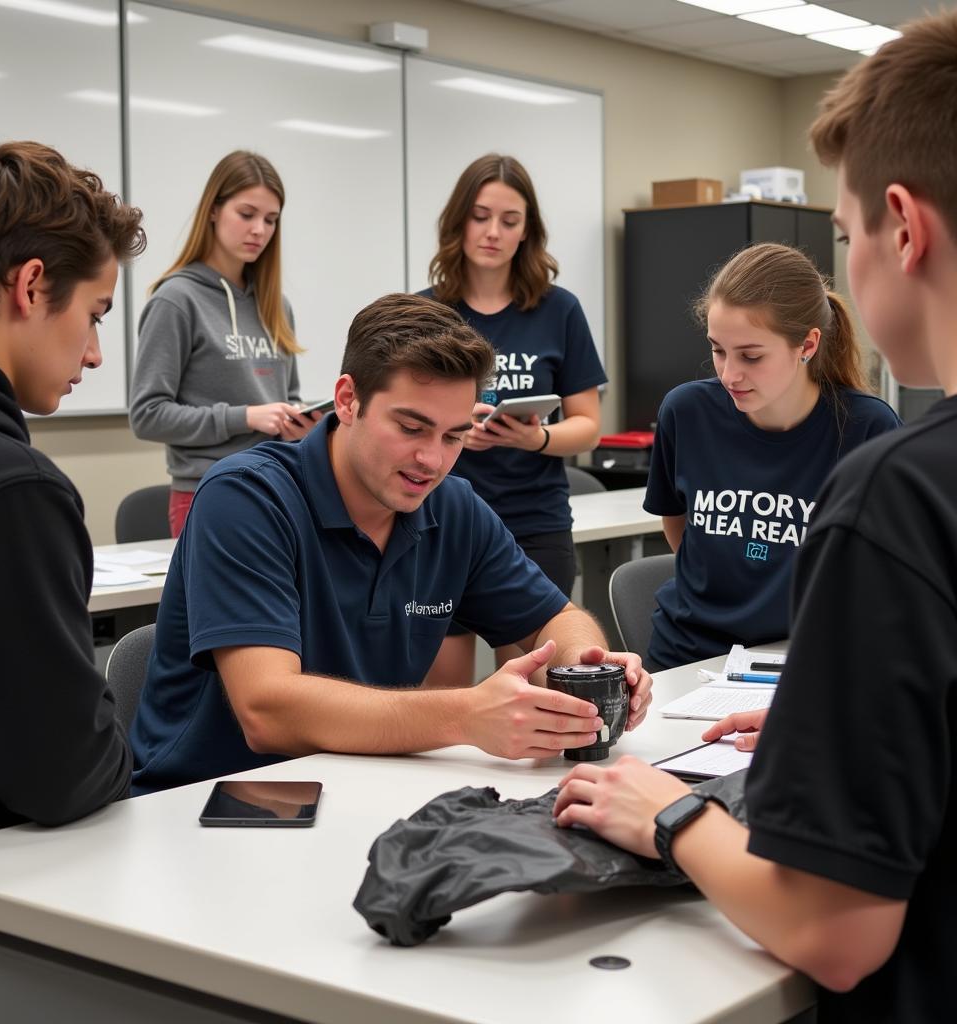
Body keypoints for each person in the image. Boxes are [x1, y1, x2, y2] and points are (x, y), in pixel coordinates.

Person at [554, 11, 957, 1021]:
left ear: (901, 229)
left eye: (845, 233)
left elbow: (833, 932)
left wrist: (672, 813)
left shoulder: (895, 489)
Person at [131, 292, 652, 794]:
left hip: (358, 788)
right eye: (411, 427)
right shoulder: (247, 498)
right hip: (202, 804)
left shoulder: (453, 507)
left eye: (453, 436)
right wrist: (468, 715)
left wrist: (590, 667)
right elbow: (267, 710)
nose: (432, 460)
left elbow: (554, 619)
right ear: (348, 400)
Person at [0, 138, 144, 1020]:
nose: (95, 354)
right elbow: (55, 772)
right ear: (27, 288)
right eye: (94, 314)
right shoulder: (8, 491)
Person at [643, 242, 900, 670]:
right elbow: (680, 525)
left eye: (751, 355)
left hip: (804, 661)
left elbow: (886, 575)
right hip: (686, 659)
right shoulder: (686, 412)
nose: (729, 374)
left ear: (807, 345)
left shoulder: (866, 429)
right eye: (717, 349)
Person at [420, 154, 606, 686]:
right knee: (441, 703)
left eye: (509, 220)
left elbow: (587, 425)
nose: (493, 232)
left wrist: (535, 437)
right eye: (480, 216)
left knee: (535, 695)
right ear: (459, 220)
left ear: (528, 230)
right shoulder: (427, 314)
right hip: (438, 523)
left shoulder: (559, 310)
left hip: (534, 524)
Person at [130, 150, 319, 538]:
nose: (259, 231)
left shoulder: (275, 304)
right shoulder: (176, 300)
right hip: (208, 491)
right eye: (246, 214)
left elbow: (289, 395)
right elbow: (148, 414)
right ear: (213, 211)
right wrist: (245, 417)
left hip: (278, 486)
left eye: (271, 220)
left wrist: (298, 421)